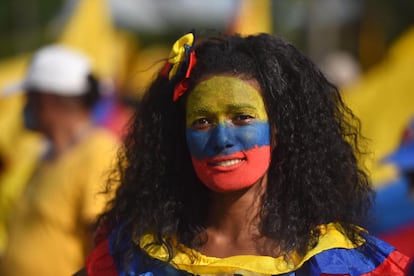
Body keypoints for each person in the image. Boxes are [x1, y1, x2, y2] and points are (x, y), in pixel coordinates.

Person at [83, 32, 411, 275]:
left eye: (242, 118)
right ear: (180, 137)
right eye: (202, 121)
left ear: (279, 131)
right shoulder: (136, 256)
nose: (222, 138)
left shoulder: (342, 262)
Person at [0, 45, 118, 276]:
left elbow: (105, 246)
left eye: (28, 98)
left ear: (46, 101)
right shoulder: (46, 156)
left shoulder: (99, 152)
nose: (24, 107)